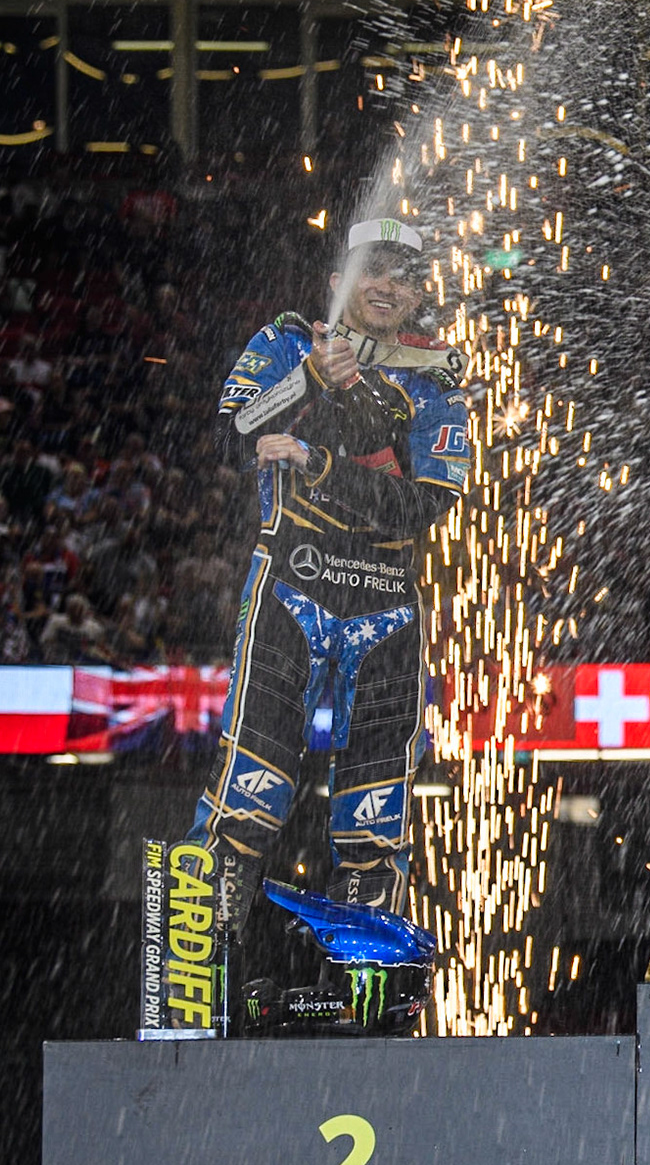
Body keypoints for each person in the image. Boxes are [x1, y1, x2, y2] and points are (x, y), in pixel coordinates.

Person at [183, 218, 468, 926]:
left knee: (376, 813)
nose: (386, 286)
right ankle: (196, 958)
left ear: (416, 296)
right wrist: (311, 376)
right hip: (292, 585)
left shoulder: (438, 379)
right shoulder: (286, 342)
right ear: (338, 281)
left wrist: (318, 463)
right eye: (373, 269)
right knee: (249, 785)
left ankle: (364, 985)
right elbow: (233, 429)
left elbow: (423, 506)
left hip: (388, 606)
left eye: (402, 277)